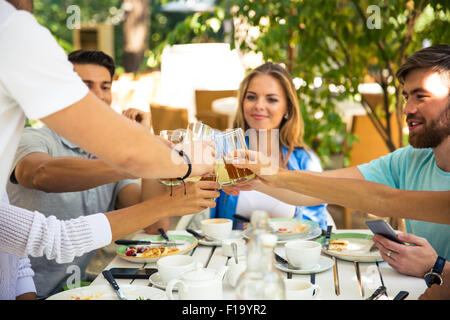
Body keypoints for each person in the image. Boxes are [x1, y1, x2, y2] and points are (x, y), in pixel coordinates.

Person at [0, 0, 218, 300]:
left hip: (80, 289)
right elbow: (40, 174)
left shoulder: (106, 155)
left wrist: (145, 140)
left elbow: (153, 221)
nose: (97, 96)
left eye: (105, 86)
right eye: (84, 86)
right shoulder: (31, 138)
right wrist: (148, 160)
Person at [230, 45, 450, 284]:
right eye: (407, 97)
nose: (406, 109)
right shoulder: (409, 160)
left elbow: (383, 199)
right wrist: (259, 180)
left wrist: (437, 267)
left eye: (422, 96)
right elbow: (322, 188)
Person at [215, 62, 328, 229]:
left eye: (271, 99)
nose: (259, 105)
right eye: (251, 97)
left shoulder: (306, 161)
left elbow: (318, 227)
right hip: (231, 253)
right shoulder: (224, 151)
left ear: (287, 108)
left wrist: (272, 230)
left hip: (288, 253)